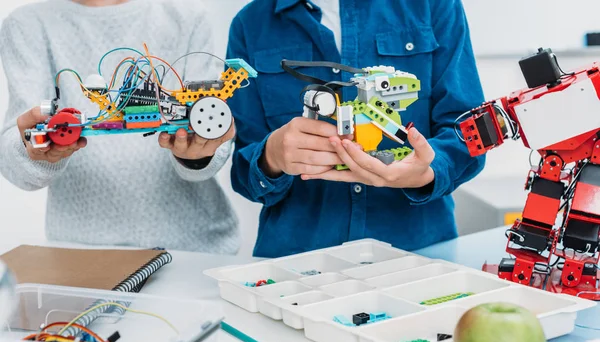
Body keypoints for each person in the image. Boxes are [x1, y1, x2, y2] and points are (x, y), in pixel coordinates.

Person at [227, 0, 485, 258]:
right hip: (298, 264)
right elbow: (243, 171)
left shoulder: (435, 6)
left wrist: (428, 171)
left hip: (418, 256)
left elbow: (468, 132)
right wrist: (271, 156)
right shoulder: (250, 24)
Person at [0, 0, 239, 253]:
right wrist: (34, 152)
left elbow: (217, 147)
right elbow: (16, 158)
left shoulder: (189, 17)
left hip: (194, 252)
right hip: (82, 255)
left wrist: (197, 157)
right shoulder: (26, 24)